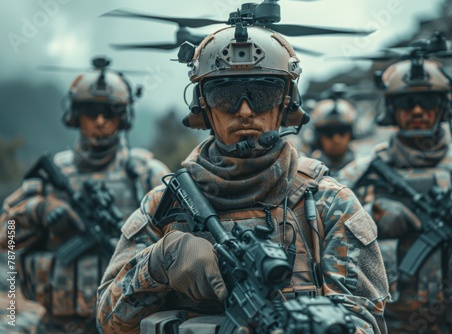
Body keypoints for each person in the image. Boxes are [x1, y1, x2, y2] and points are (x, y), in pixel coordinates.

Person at [95, 24, 390, 334]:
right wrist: (160, 262)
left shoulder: (329, 203)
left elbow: (365, 322)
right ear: (203, 106)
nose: (246, 111)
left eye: (263, 93)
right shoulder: (164, 205)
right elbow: (107, 323)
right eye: (226, 95)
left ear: (286, 103)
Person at [0, 56, 170, 334]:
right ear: (75, 114)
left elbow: (177, 243)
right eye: (91, 111)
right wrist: (40, 210)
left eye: (110, 112)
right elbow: (4, 237)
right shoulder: (53, 175)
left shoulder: (145, 174)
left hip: (126, 325)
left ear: (123, 117)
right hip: (57, 325)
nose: (101, 121)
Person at [338, 59, 452, 333]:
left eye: (427, 101)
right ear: (391, 108)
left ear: (444, 107)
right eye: (406, 102)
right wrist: (370, 216)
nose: (417, 110)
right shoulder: (358, 175)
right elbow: (328, 246)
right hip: (389, 323)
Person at [308, 97, 358, 176]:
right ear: (318, 137)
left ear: (351, 134)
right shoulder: (307, 172)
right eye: (329, 132)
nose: (336, 140)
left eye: (342, 131)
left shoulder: (363, 169)